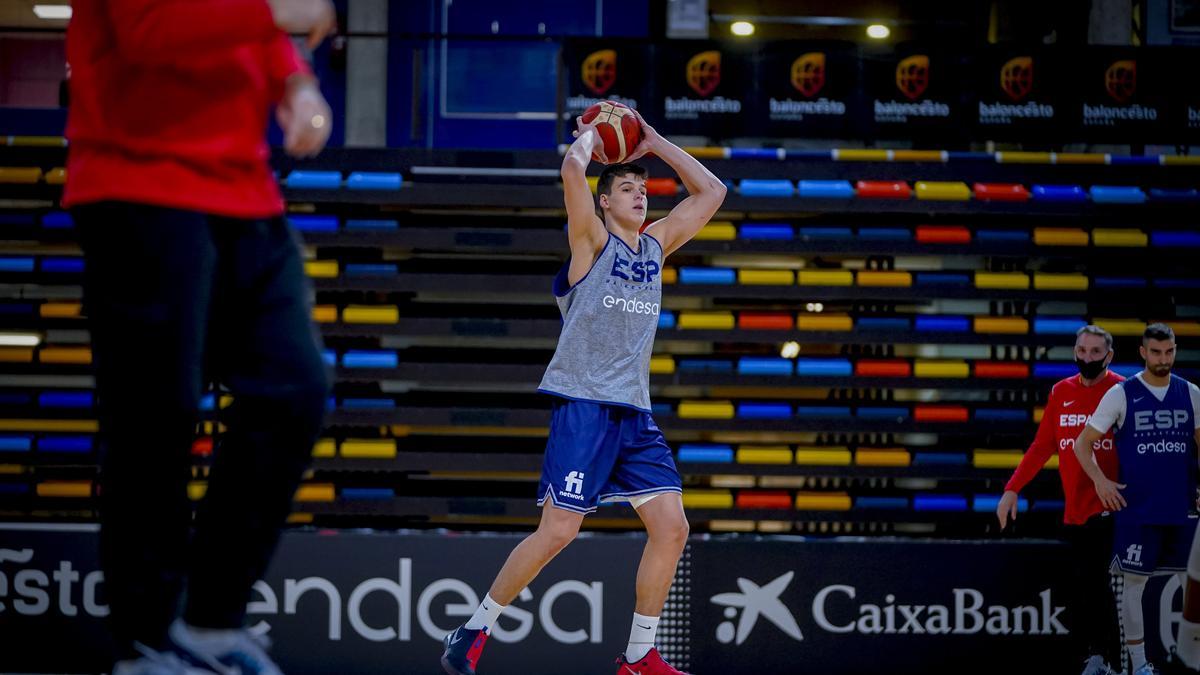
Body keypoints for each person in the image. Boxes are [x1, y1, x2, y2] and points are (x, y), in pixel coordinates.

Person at [63, 1, 337, 673]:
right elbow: (147, 28)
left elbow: (261, 37)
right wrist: (275, 8)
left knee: (294, 390)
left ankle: (211, 619)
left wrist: (295, 83)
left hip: (244, 193)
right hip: (138, 181)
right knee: (156, 415)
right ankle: (148, 639)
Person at [440, 110, 726, 675]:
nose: (641, 196)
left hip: (634, 413)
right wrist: (596, 133)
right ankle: (472, 630)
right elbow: (573, 169)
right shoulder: (591, 244)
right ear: (604, 202)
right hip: (585, 406)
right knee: (559, 531)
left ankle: (639, 653)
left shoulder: (655, 247)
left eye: (644, 189)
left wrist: (651, 142)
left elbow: (712, 190)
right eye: (627, 187)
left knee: (673, 528)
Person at [997, 325, 1124, 675]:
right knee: (1086, 586)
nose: (1087, 358)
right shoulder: (1060, 391)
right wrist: (1012, 489)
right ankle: (1099, 656)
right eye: (1082, 351)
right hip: (1076, 508)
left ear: (1108, 356)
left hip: (1112, 505)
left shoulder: (1123, 391)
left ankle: (1109, 659)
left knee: (1101, 585)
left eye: (1095, 352)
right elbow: (1042, 446)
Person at [1075, 323, 1200, 675]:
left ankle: (1192, 660)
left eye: (1170, 351)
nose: (1164, 358)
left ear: (1175, 350)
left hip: (1181, 508)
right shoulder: (1122, 394)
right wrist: (1101, 481)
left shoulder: (1191, 393)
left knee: (1193, 588)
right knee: (1133, 586)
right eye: (1156, 352)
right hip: (1138, 510)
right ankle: (1141, 665)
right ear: (1143, 353)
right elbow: (1082, 444)